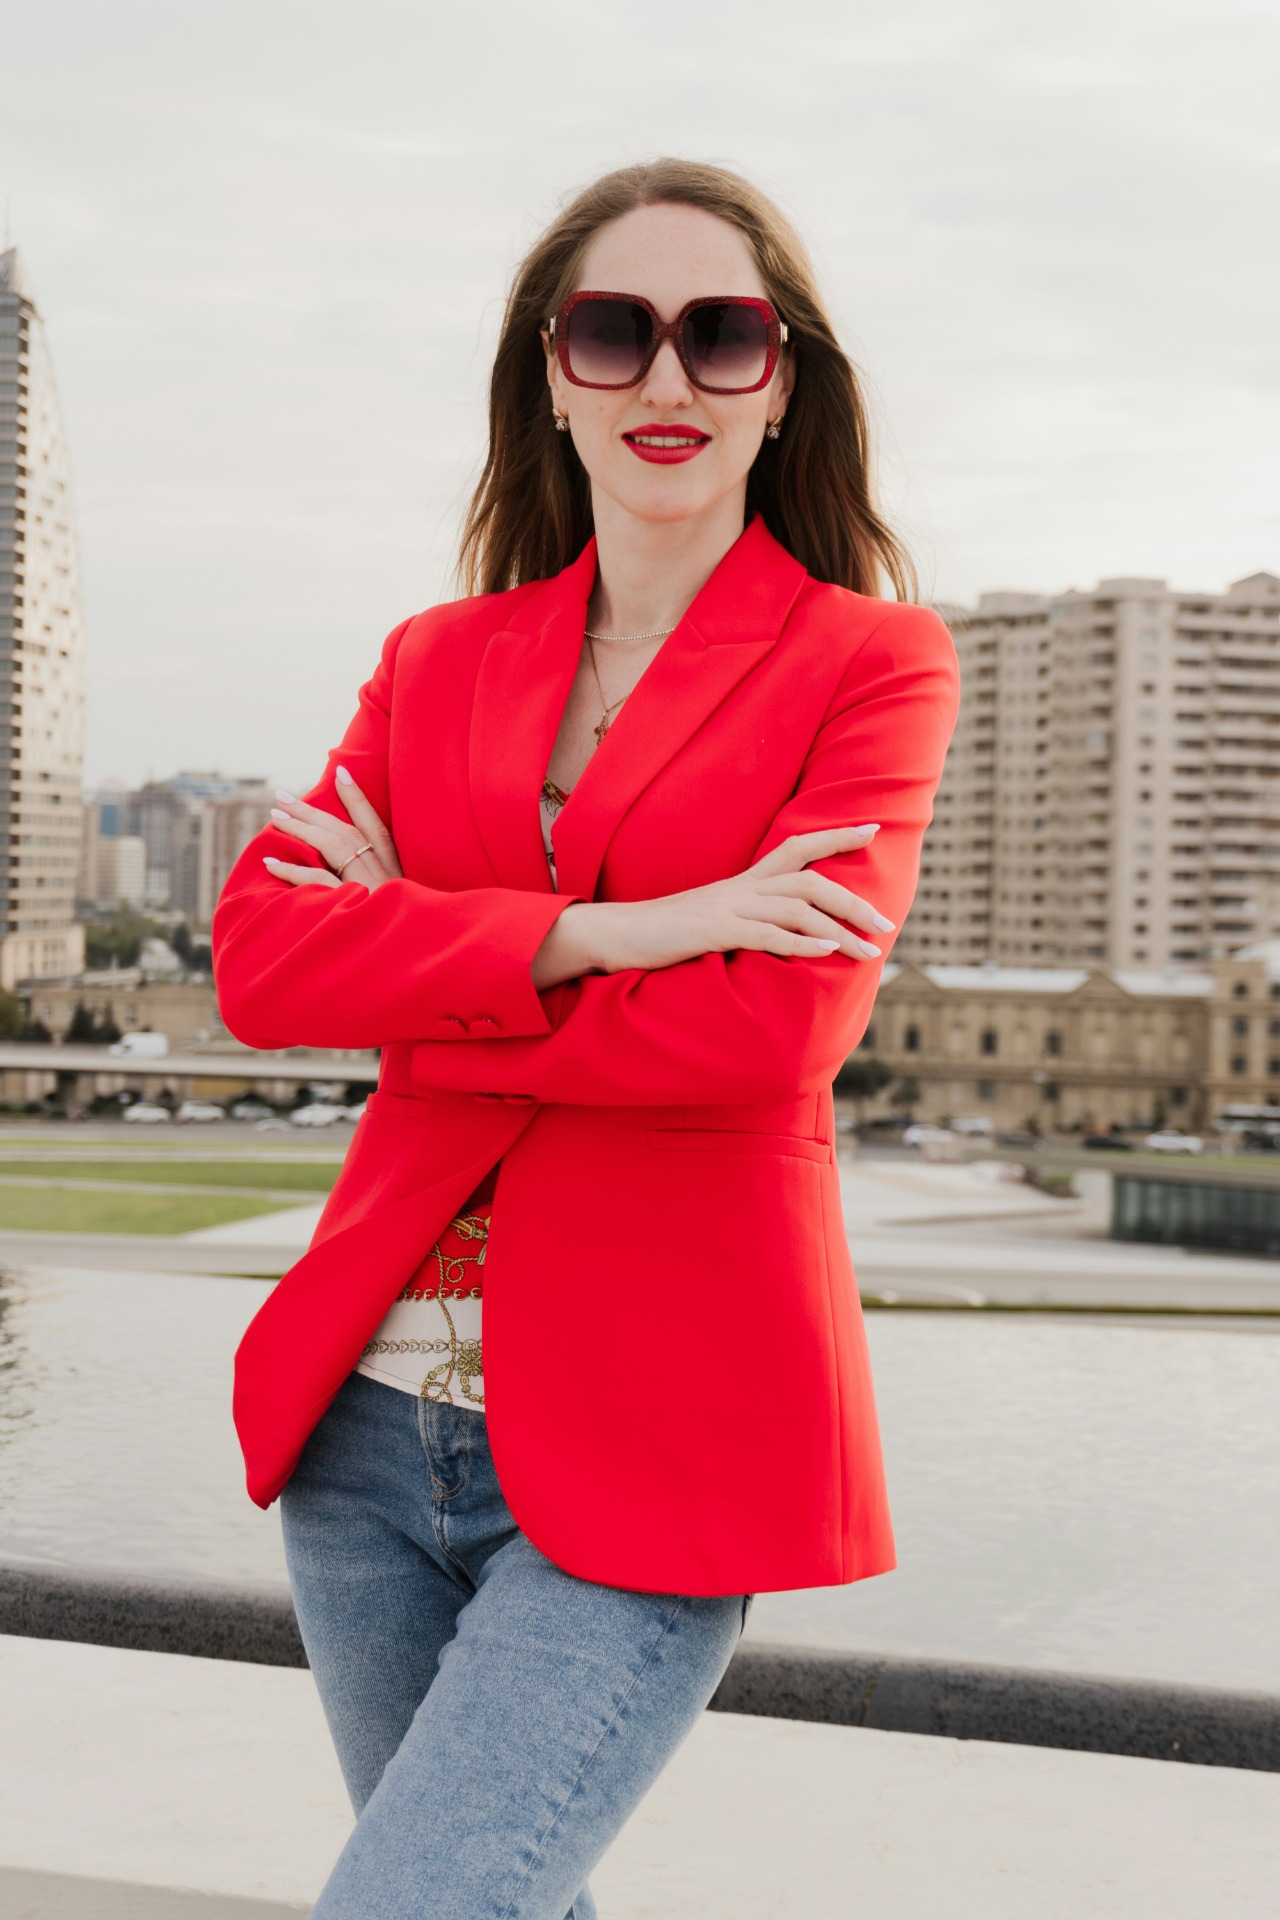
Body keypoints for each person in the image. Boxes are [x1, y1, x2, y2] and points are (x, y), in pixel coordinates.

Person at [211, 156, 960, 1919]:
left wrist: (426, 974)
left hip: (659, 1438)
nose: (667, 377)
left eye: (723, 335)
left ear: (783, 384)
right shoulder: (437, 660)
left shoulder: (872, 664)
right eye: (615, 332)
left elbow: (770, 1032)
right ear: (553, 376)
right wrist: (626, 932)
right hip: (364, 1436)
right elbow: (261, 964)